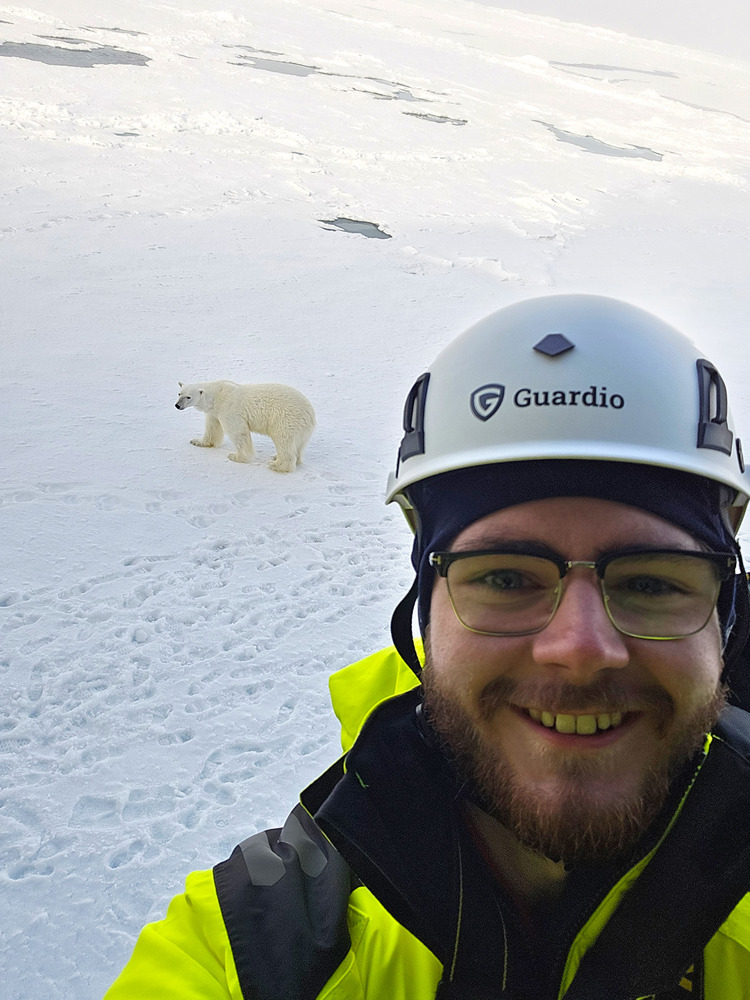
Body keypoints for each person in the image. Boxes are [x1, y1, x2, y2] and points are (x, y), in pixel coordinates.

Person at [104, 295, 750, 1000]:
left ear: (726, 614)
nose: (580, 648)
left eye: (652, 583)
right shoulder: (260, 946)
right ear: (424, 610)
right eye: (504, 577)